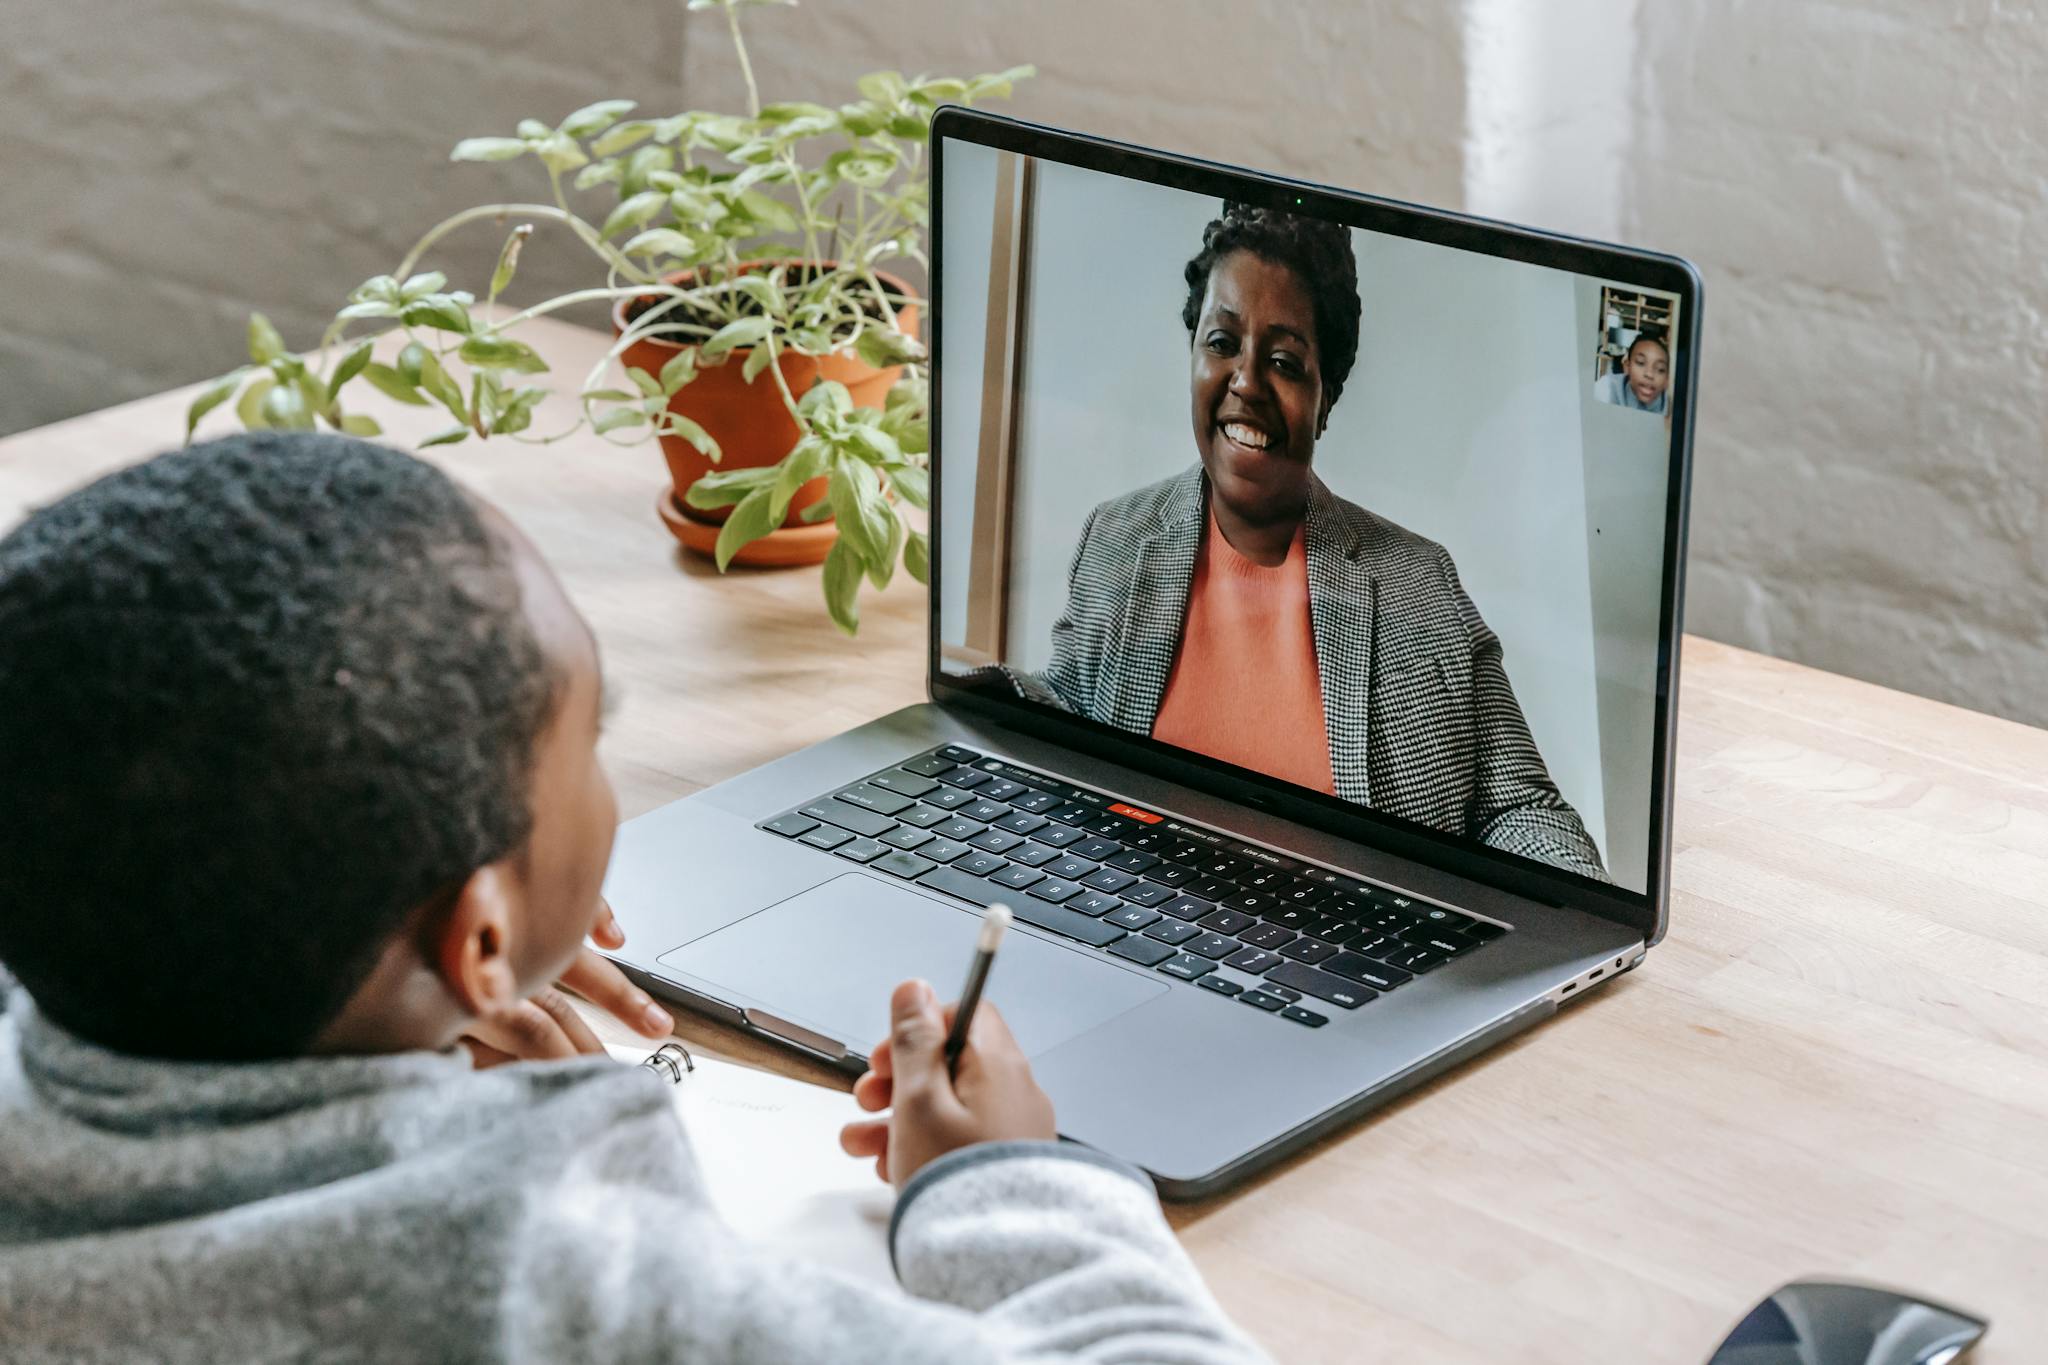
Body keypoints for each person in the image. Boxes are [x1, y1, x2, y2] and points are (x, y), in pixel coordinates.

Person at [0, 433, 1267, 1363]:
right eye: (588, 735)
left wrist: (391, 976)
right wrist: (995, 1187)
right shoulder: (561, 1293)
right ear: (479, 936)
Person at [1005, 202, 1608, 882]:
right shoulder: (1118, 534)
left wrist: (1553, 935)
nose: (1246, 382)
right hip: (1134, 923)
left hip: (1346, 960)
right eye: (1222, 342)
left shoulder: (1416, 578)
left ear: (1327, 397)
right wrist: (982, 704)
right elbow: (1070, 713)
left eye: (1286, 362)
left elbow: (1521, 810)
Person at [1595, 330, 1671, 414]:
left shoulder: (1672, 409)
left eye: (1660, 369)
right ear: (1627, 367)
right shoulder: (1606, 390)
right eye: (1641, 362)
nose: (1649, 374)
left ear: (1666, 379)